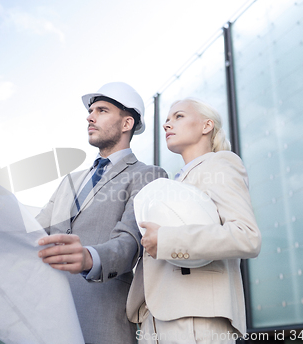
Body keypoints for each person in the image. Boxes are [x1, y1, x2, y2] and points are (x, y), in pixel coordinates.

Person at [36, 82, 167, 344]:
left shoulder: (147, 175)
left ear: (126, 123)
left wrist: (88, 258)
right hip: (49, 317)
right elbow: (36, 231)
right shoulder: (70, 181)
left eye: (102, 110)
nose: (90, 117)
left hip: (103, 318)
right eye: (91, 110)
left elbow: (130, 242)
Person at [127, 98, 262, 344]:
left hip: (196, 321)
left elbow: (246, 236)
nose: (168, 124)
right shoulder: (177, 183)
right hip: (156, 321)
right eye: (166, 120)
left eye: (178, 116)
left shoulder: (221, 163)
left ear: (206, 125)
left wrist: (167, 239)